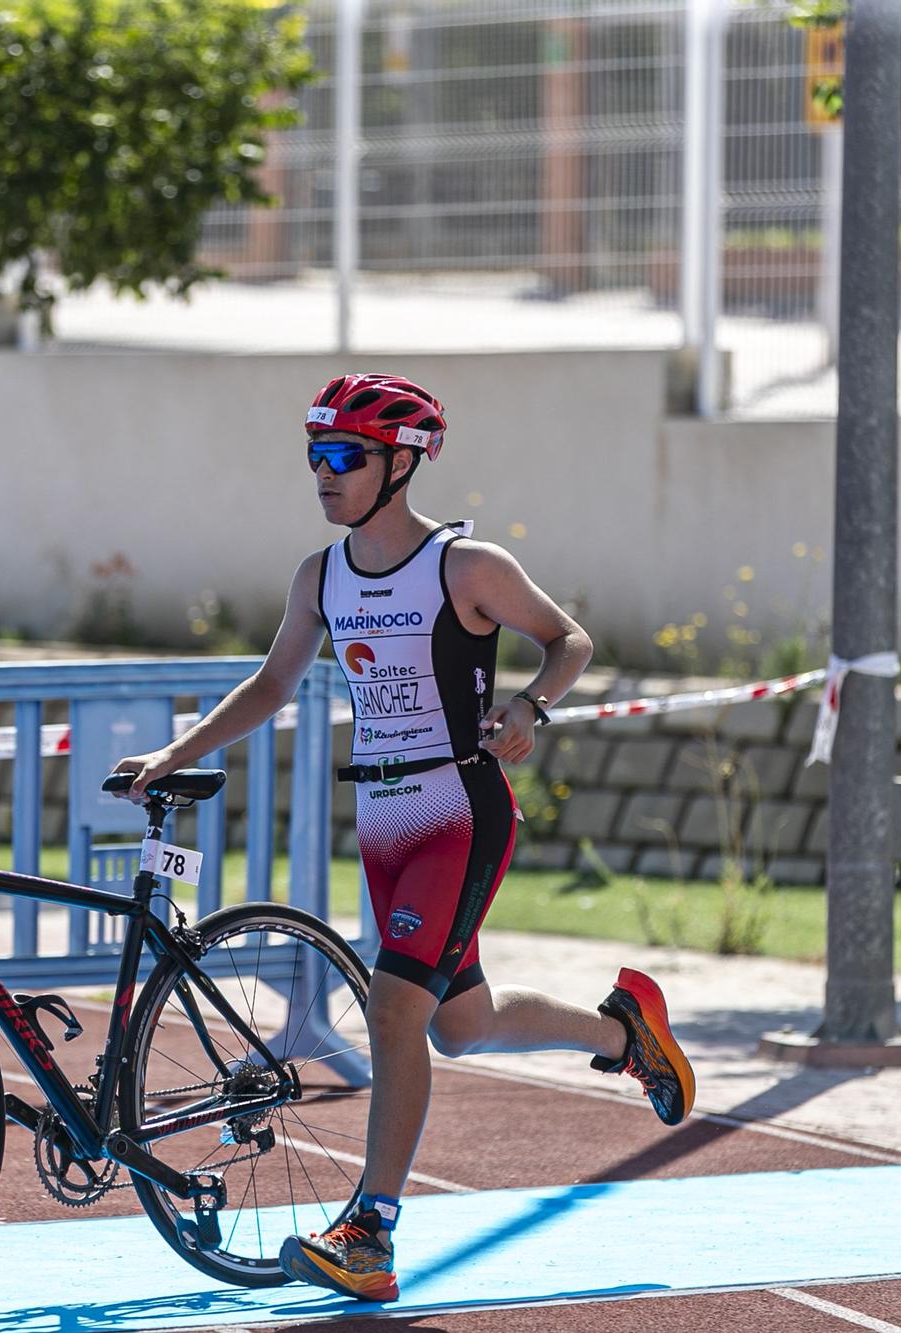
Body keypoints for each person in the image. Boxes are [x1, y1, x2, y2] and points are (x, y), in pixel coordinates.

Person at [109, 373, 696, 1304]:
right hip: (380, 820)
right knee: (460, 1025)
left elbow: (569, 639)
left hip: (459, 811)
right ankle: (625, 1033)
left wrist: (530, 706)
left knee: (393, 1011)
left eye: (346, 456)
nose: (324, 474)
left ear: (402, 462)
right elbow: (271, 685)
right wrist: (176, 748)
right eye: (315, 456)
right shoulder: (320, 575)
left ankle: (371, 1232)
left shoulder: (466, 566)